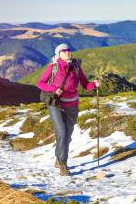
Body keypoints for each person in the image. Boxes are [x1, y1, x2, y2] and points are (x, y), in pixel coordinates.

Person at [37, 43, 100, 176]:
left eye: (68, 49)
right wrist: (54, 89)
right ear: (58, 54)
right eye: (63, 50)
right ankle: (63, 163)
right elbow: (40, 83)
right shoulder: (54, 67)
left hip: (72, 104)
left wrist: (94, 84)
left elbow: (85, 84)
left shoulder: (76, 67)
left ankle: (58, 156)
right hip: (56, 104)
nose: (67, 52)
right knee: (63, 132)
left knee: (67, 135)